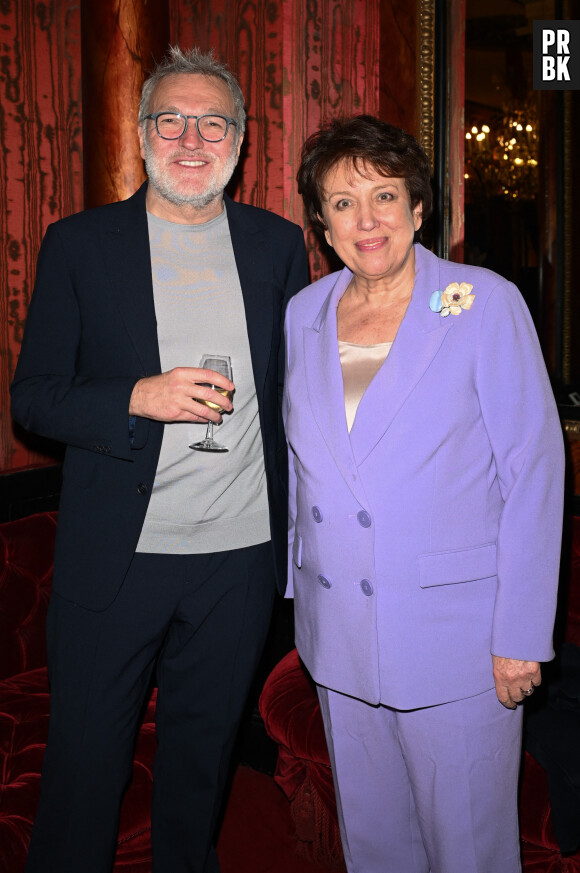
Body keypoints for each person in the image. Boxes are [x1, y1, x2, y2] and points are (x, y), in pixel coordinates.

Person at [11, 46, 309, 873]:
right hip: (119, 558)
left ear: (240, 144)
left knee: (201, 763)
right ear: (143, 135)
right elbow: (32, 397)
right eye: (170, 119)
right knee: (83, 769)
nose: (190, 138)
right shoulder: (80, 244)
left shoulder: (278, 245)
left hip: (239, 561)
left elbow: (300, 386)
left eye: (212, 123)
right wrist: (133, 396)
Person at [283, 115, 564, 873]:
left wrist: (521, 632)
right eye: (342, 202)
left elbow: (533, 471)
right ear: (321, 221)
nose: (366, 219)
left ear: (418, 207)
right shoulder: (302, 314)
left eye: (383, 195)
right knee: (374, 848)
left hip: (459, 638)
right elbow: (304, 465)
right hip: (340, 630)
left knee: (466, 850)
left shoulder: (482, 303)